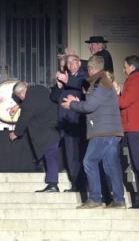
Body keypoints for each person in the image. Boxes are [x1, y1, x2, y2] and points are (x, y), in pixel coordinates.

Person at [62, 55, 125, 209]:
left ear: (91, 69)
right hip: (110, 130)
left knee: (89, 161)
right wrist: (77, 102)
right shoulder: (104, 81)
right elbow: (92, 102)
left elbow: (89, 106)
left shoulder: (101, 83)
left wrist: (72, 105)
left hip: (102, 132)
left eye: (87, 69)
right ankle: (118, 200)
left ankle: (95, 198)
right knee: (111, 165)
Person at [114, 55, 139, 209]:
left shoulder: (136, 80)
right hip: (137, 127)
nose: (123, 71)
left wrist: (116, 92)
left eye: (124, 67)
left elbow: (123, 102)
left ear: (131, 66)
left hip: (136, 128)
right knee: (137, 166)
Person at [9, 81, 61, 192]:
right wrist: (18, 105)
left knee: (50, 156)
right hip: (56, 126)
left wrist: (16, 133)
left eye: (19, 98)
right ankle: (51, 182)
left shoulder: (27, 103)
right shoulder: (39, 88)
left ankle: (53, 184)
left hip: (46, 131)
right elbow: (37, 102)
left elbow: (23, 120)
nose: (20, 99)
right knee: (50, 155)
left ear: (21, 94)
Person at [50, 54, 88, 192]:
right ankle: (76, 185)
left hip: (78, 122)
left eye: (73, 62)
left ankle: (82, 185)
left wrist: (67, 80)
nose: (70, 65)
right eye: (68, 63)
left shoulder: (84, 75)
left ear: (79, 63)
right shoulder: (65, 77)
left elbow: (83, 85)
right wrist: (59, 85)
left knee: (80, 155)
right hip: (65, 123)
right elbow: (54, 97)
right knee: (70, 156)